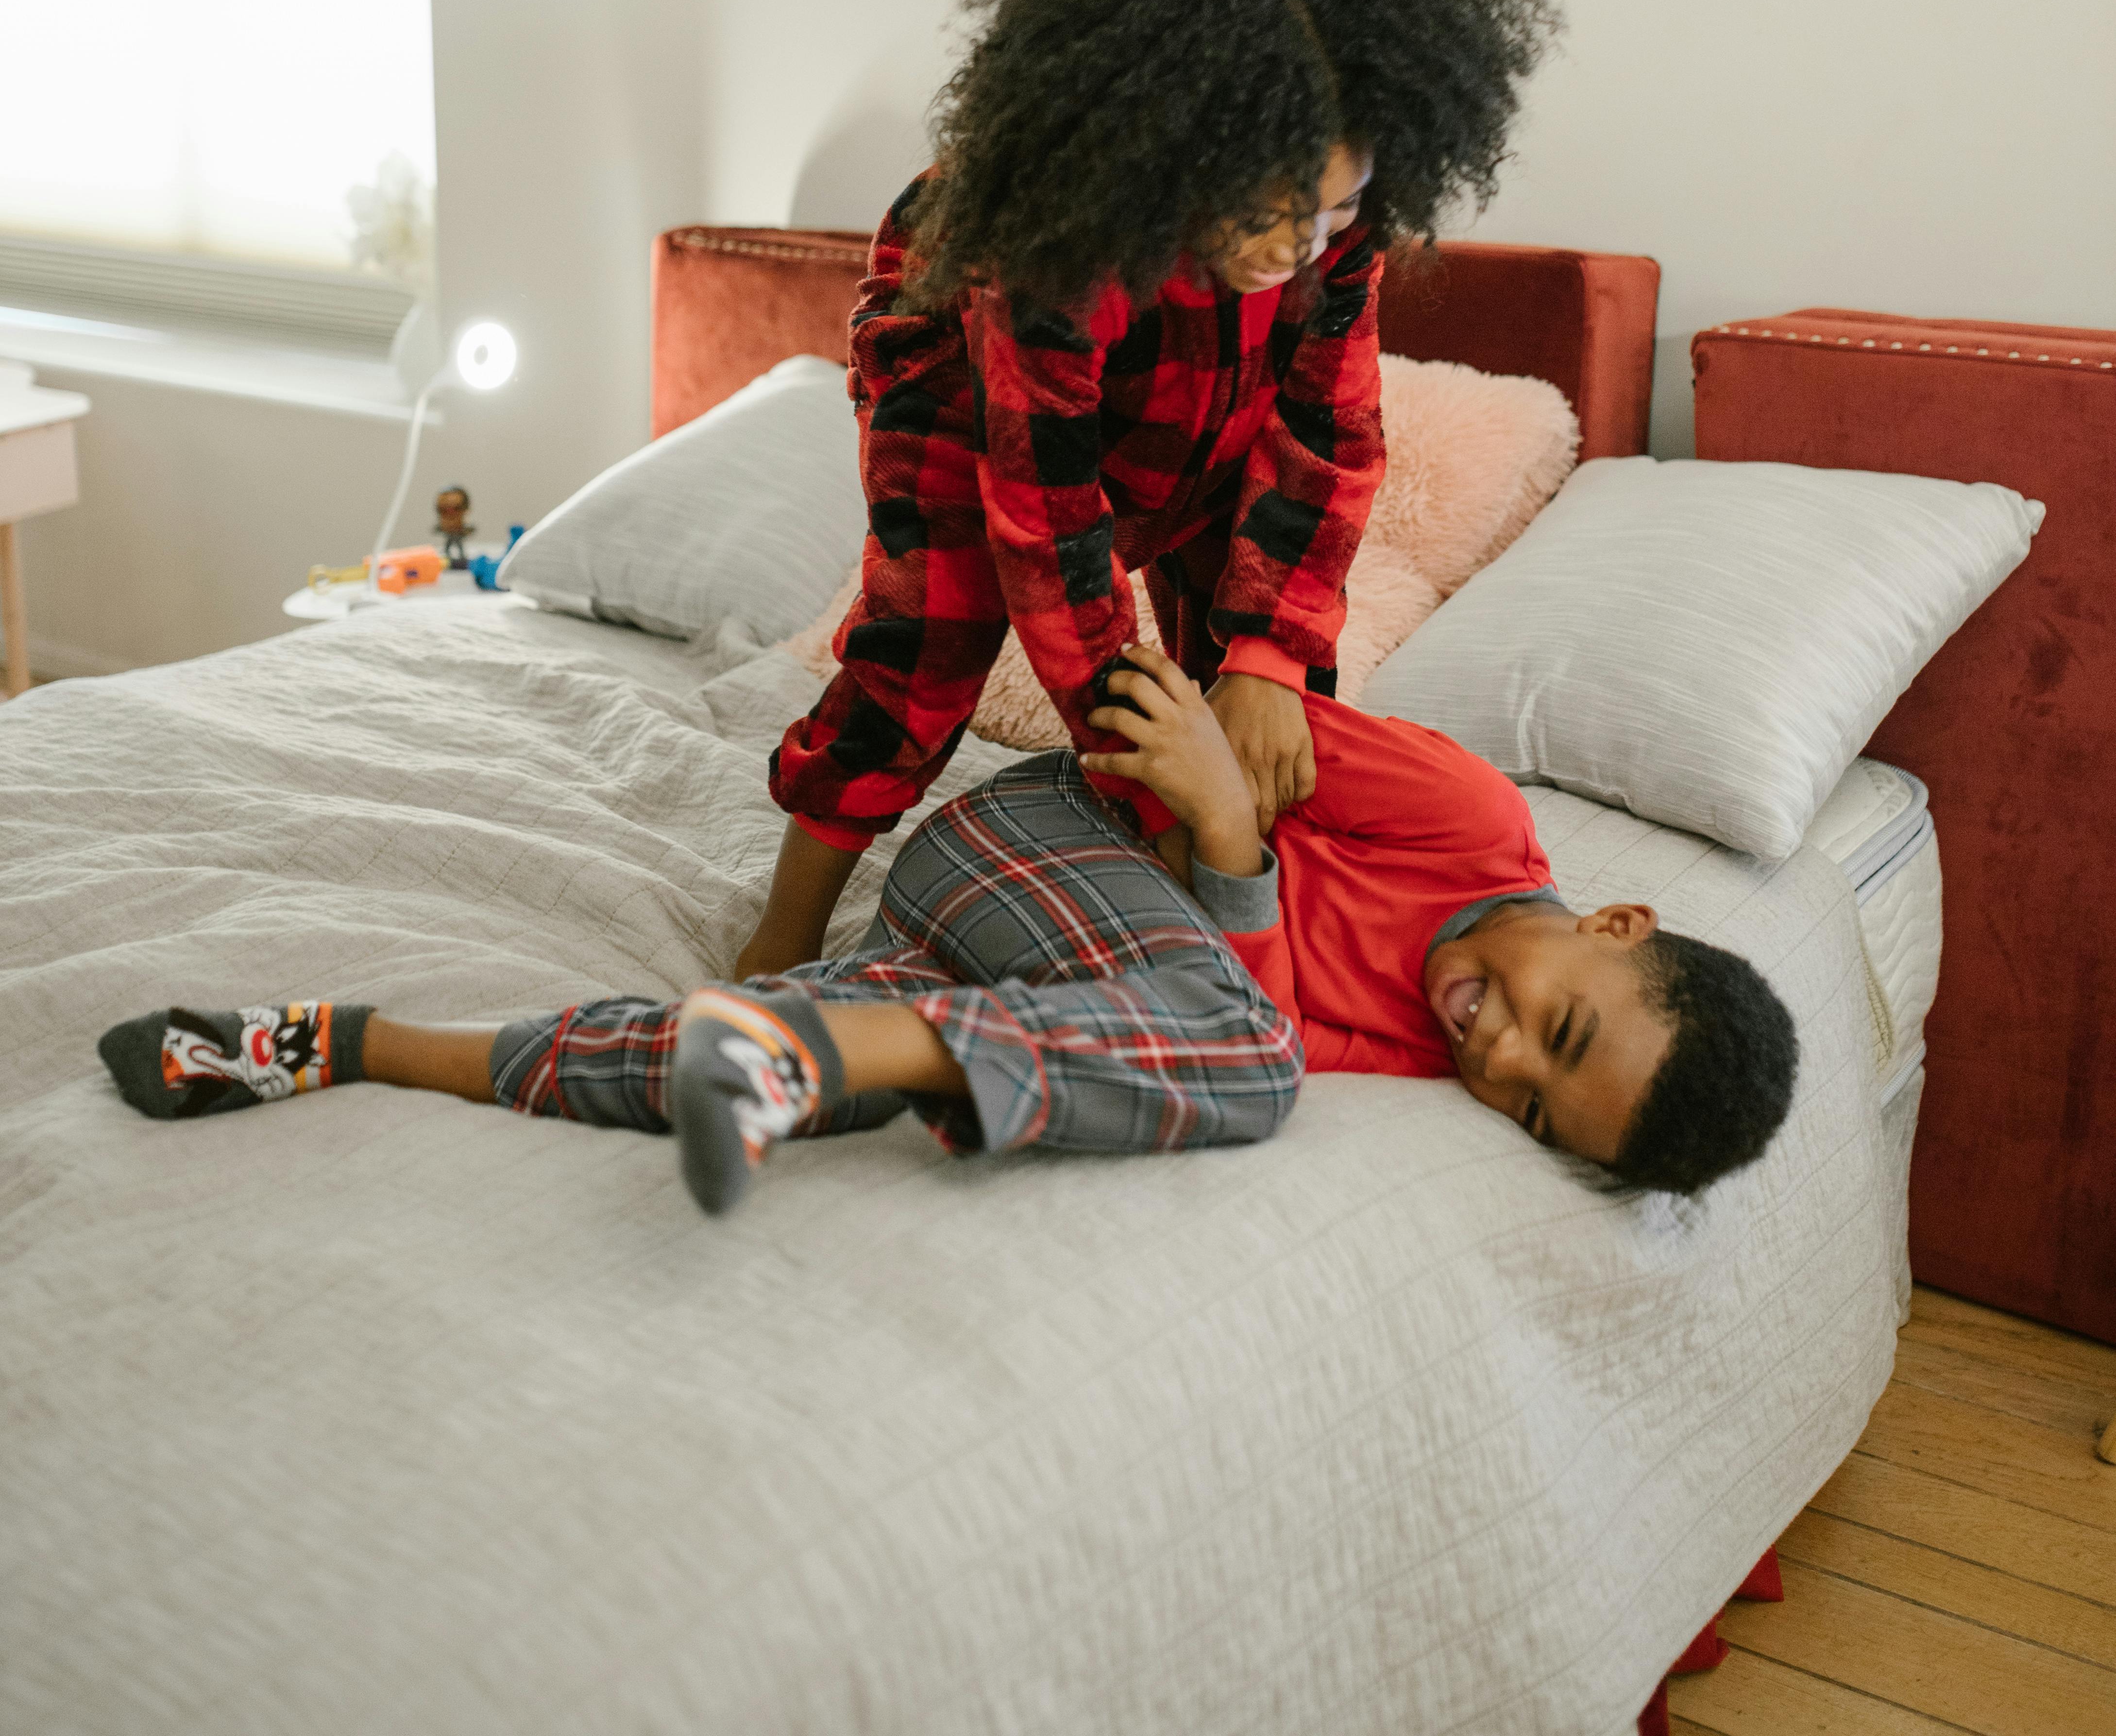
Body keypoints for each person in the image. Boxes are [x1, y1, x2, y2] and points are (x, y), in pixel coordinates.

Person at [96, 644, 1799, 1215]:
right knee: (1250, 1059)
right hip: (1024, 838)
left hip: (1033, 970)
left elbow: (1185, 983)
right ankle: (830, 1046)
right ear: (1615, 916)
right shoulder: (1461, 818)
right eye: (1552, 1025)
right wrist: (1222, 819)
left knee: (742, 1073)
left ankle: (339, 1039)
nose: (1485, 1049)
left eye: (1517, 1098)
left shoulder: (1440, 1030)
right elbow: (1196, 736)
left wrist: (1227, 864)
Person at [741, 0, 1559, 982]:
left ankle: (1226, 907)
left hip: (1207, 405)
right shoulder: (1048, 251)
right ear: (1170, 156)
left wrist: (1266, 664)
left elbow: (1326, 440)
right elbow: (1047, 523)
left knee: (1262, 670)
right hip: (977, 396)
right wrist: (1137, 754)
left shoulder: (1331, 243)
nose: (1296, 248)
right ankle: (780, 930)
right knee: (929, 631)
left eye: (1334, 210)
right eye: (1271, 210)